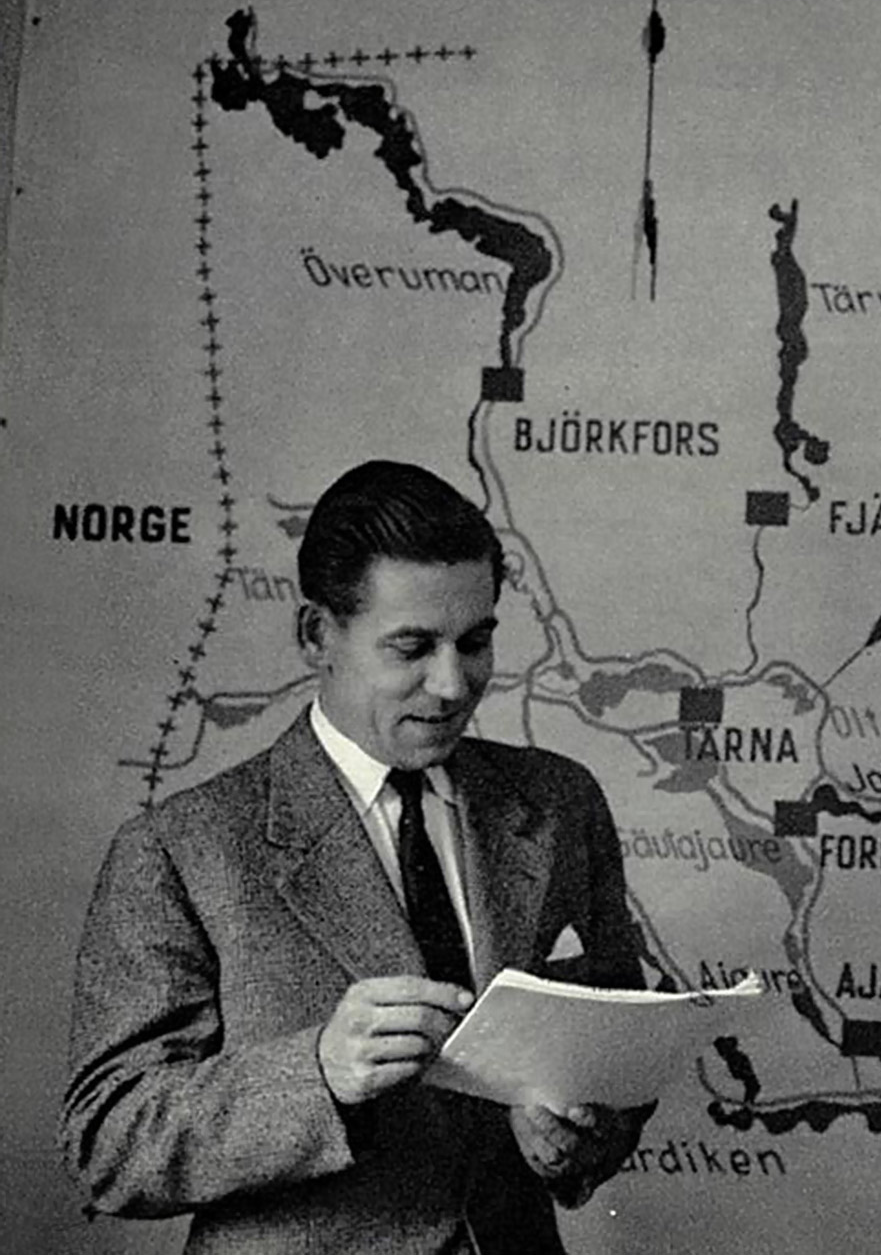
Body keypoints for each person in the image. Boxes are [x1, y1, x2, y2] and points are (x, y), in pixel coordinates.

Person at [63, 460, 647, 1253]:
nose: (451, 684)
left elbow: (620, 1039)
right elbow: (109, 1144)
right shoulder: (179, 847)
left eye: (475, 642)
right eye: (412, 647)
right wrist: (317, 1075)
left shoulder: (558, 802)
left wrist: (577, 1133)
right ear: (316, 635)